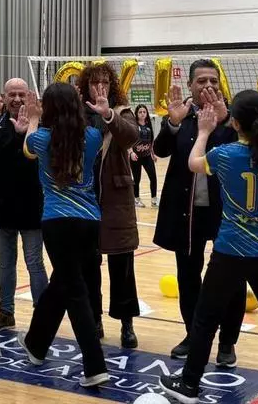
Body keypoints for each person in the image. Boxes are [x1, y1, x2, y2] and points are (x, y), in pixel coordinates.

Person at [160, 91, 258, 404]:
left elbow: (192, 162)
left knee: (205, 318)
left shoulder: (225, 154)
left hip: (231, 251)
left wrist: (203, 131)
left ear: (236, 122)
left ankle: (189, 384)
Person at [19, 82, 109, 387]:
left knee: (74, 291)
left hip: (58, 222)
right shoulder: (94, 136)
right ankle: (36, 344)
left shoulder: (42, 138)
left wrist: (32, 119)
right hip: (89, 221)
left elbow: (27, 148)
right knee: (63, 283)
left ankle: (95, 366)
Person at [153, 59, 244, 363]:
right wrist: (173, 123)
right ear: (190, 85)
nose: (208, 86)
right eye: (202, 80)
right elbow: (162, 150)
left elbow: (241, 151)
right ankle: (194, 335)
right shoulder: (183, 115)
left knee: (231, 278)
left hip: (225, 212)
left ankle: (227, 342)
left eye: (213, 81)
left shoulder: (233, 118)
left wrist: (224, 121)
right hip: (185, 211)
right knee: (188, 276)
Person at [79, 62, 141, 349]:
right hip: (85, 198)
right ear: (86, 86)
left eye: (104, 81)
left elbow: (131, 136)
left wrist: (107, 115)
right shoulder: (79, 114)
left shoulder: (123, 112)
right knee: (89, 264)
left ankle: (126, 322)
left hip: (116, 198)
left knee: (122, 265)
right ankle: (94, 318)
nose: (100, 86)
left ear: (112, 84)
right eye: (94, 82)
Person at [0, 78, 48, 331]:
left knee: (35, 262)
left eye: (21, 93)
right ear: (4, 97)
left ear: (27, 94)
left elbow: (36, 156)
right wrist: (14, 135)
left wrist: (25, 132)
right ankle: (6, 311)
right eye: (12, 94)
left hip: (32, 207)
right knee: (5, 263)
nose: (17, 99)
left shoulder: (40, 124)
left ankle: (43, 314)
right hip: (2, 208)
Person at [129, 104, 158, 208]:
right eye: (140, 112)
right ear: (136, 114)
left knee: (153, 177)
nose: (142, 114)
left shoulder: (149, 126)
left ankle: (154, 200)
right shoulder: (133, 126)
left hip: (147, 156)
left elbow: (151, 142)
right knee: (136, 179)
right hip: (136, 157)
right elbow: (128, 141)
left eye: (144, 112)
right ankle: (136, 200)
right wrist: (131, 153)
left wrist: (153, 155)